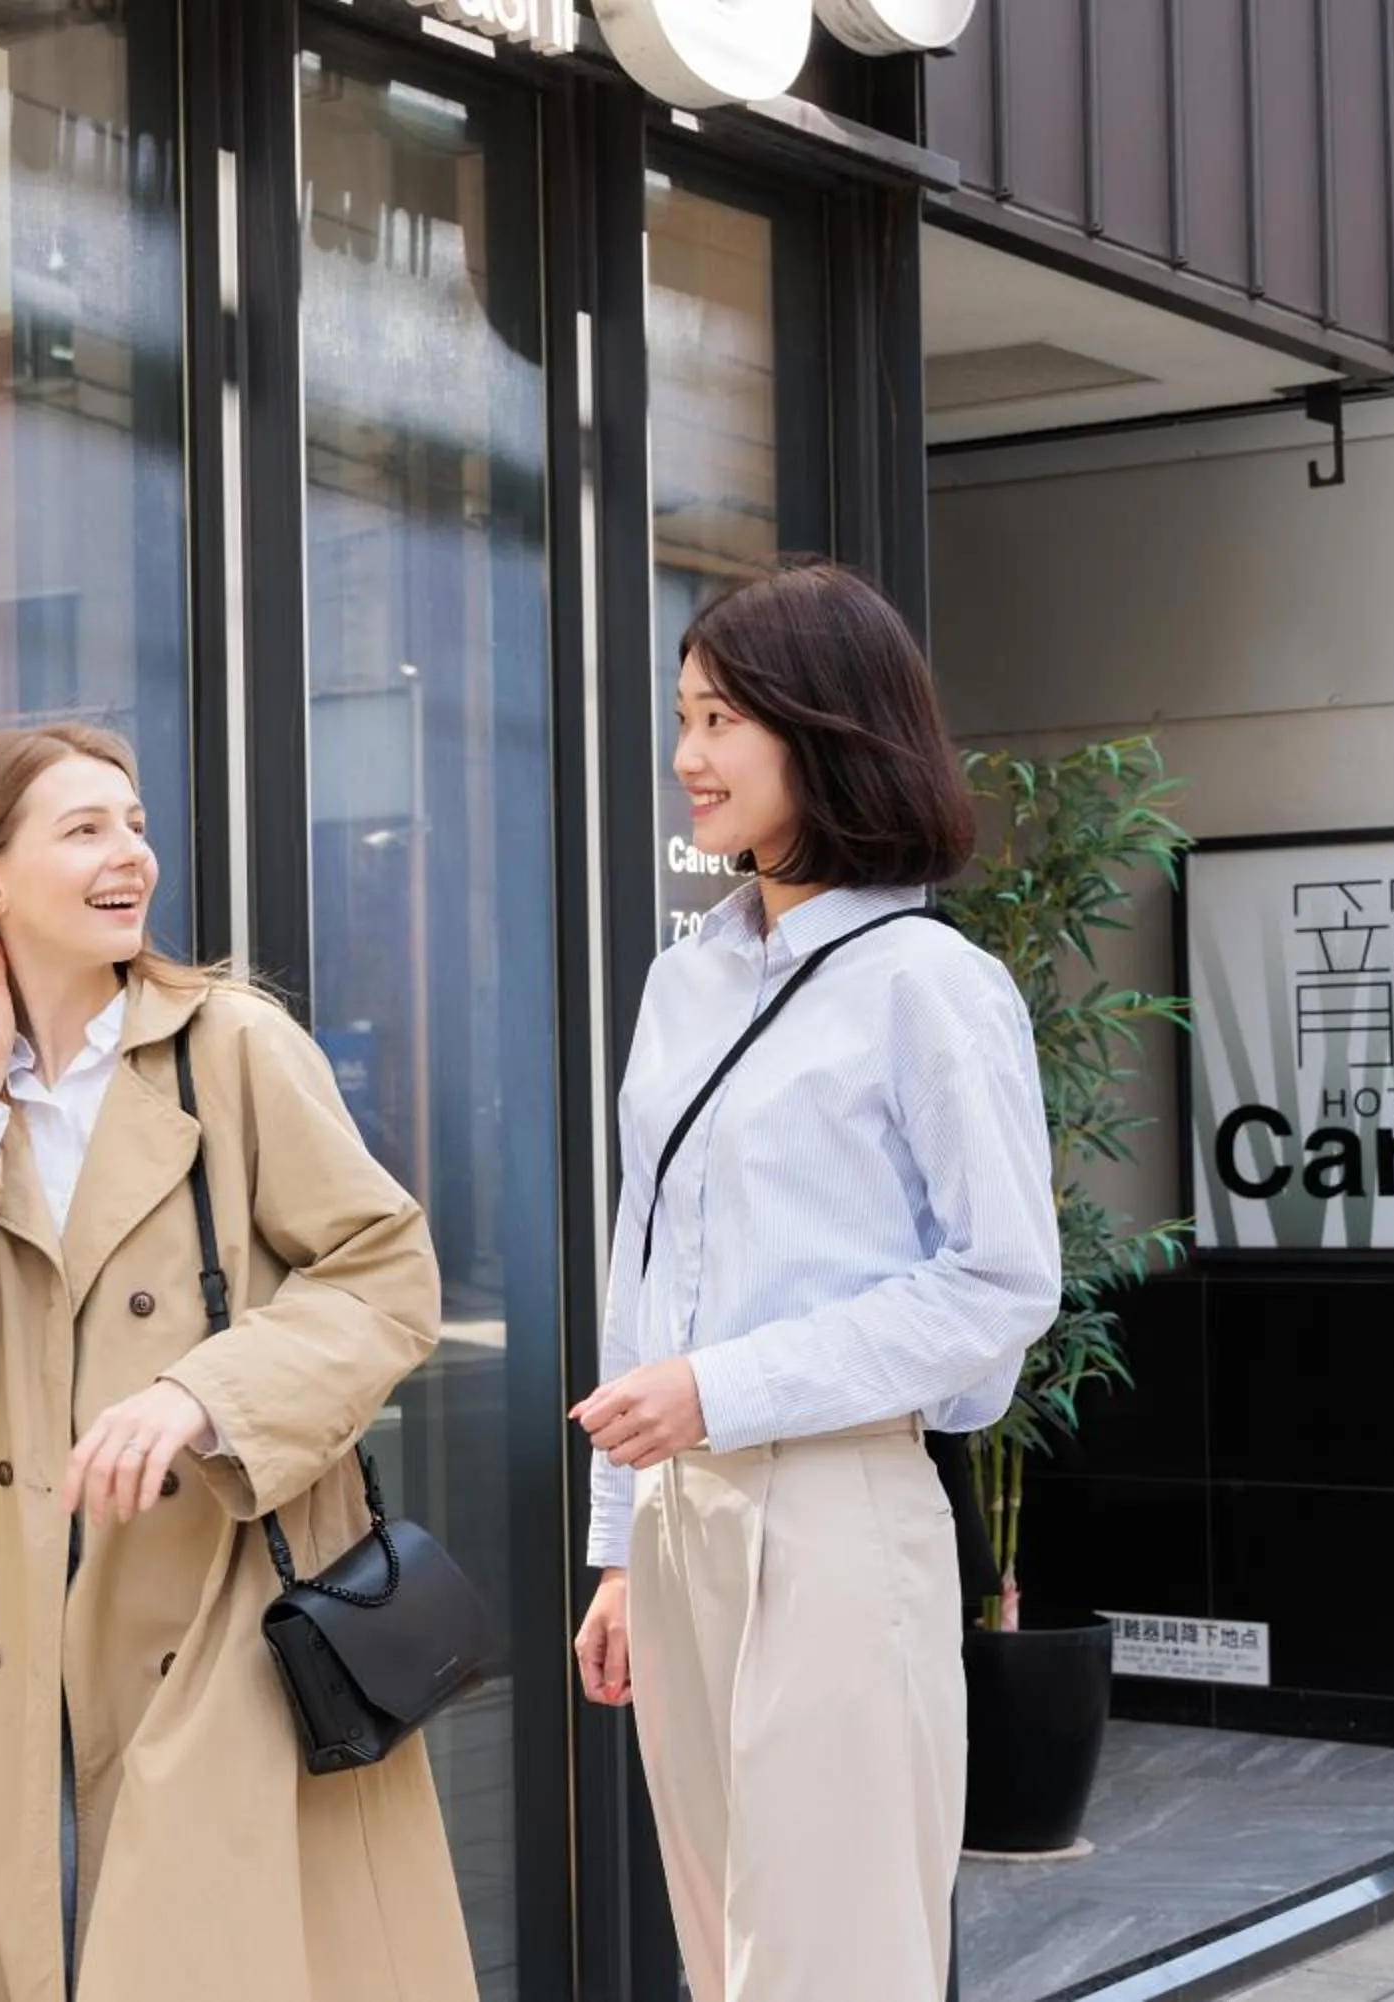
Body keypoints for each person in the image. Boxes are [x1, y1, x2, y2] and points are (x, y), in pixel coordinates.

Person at [0, 724, 478, 2002]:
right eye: (85, 829)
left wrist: (199, 1396)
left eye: (133, 822)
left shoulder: (230, 1043)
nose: (132, 856)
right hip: (29, 1612)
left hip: (224, 1586)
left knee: (199, 1955)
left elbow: (387, 1275)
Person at [569, 560, 1062, 2002]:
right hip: (680, 1521)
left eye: (720, 718)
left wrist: (722, 1387)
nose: (686, 757)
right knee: (724, 1953)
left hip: (841, 1507)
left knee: (833, 1961)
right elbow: (640, 1256)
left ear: (825, 727)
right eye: (683, 716)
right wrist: (617, 1543)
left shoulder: (931, 983)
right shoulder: (689, 979)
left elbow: (997, 1281)